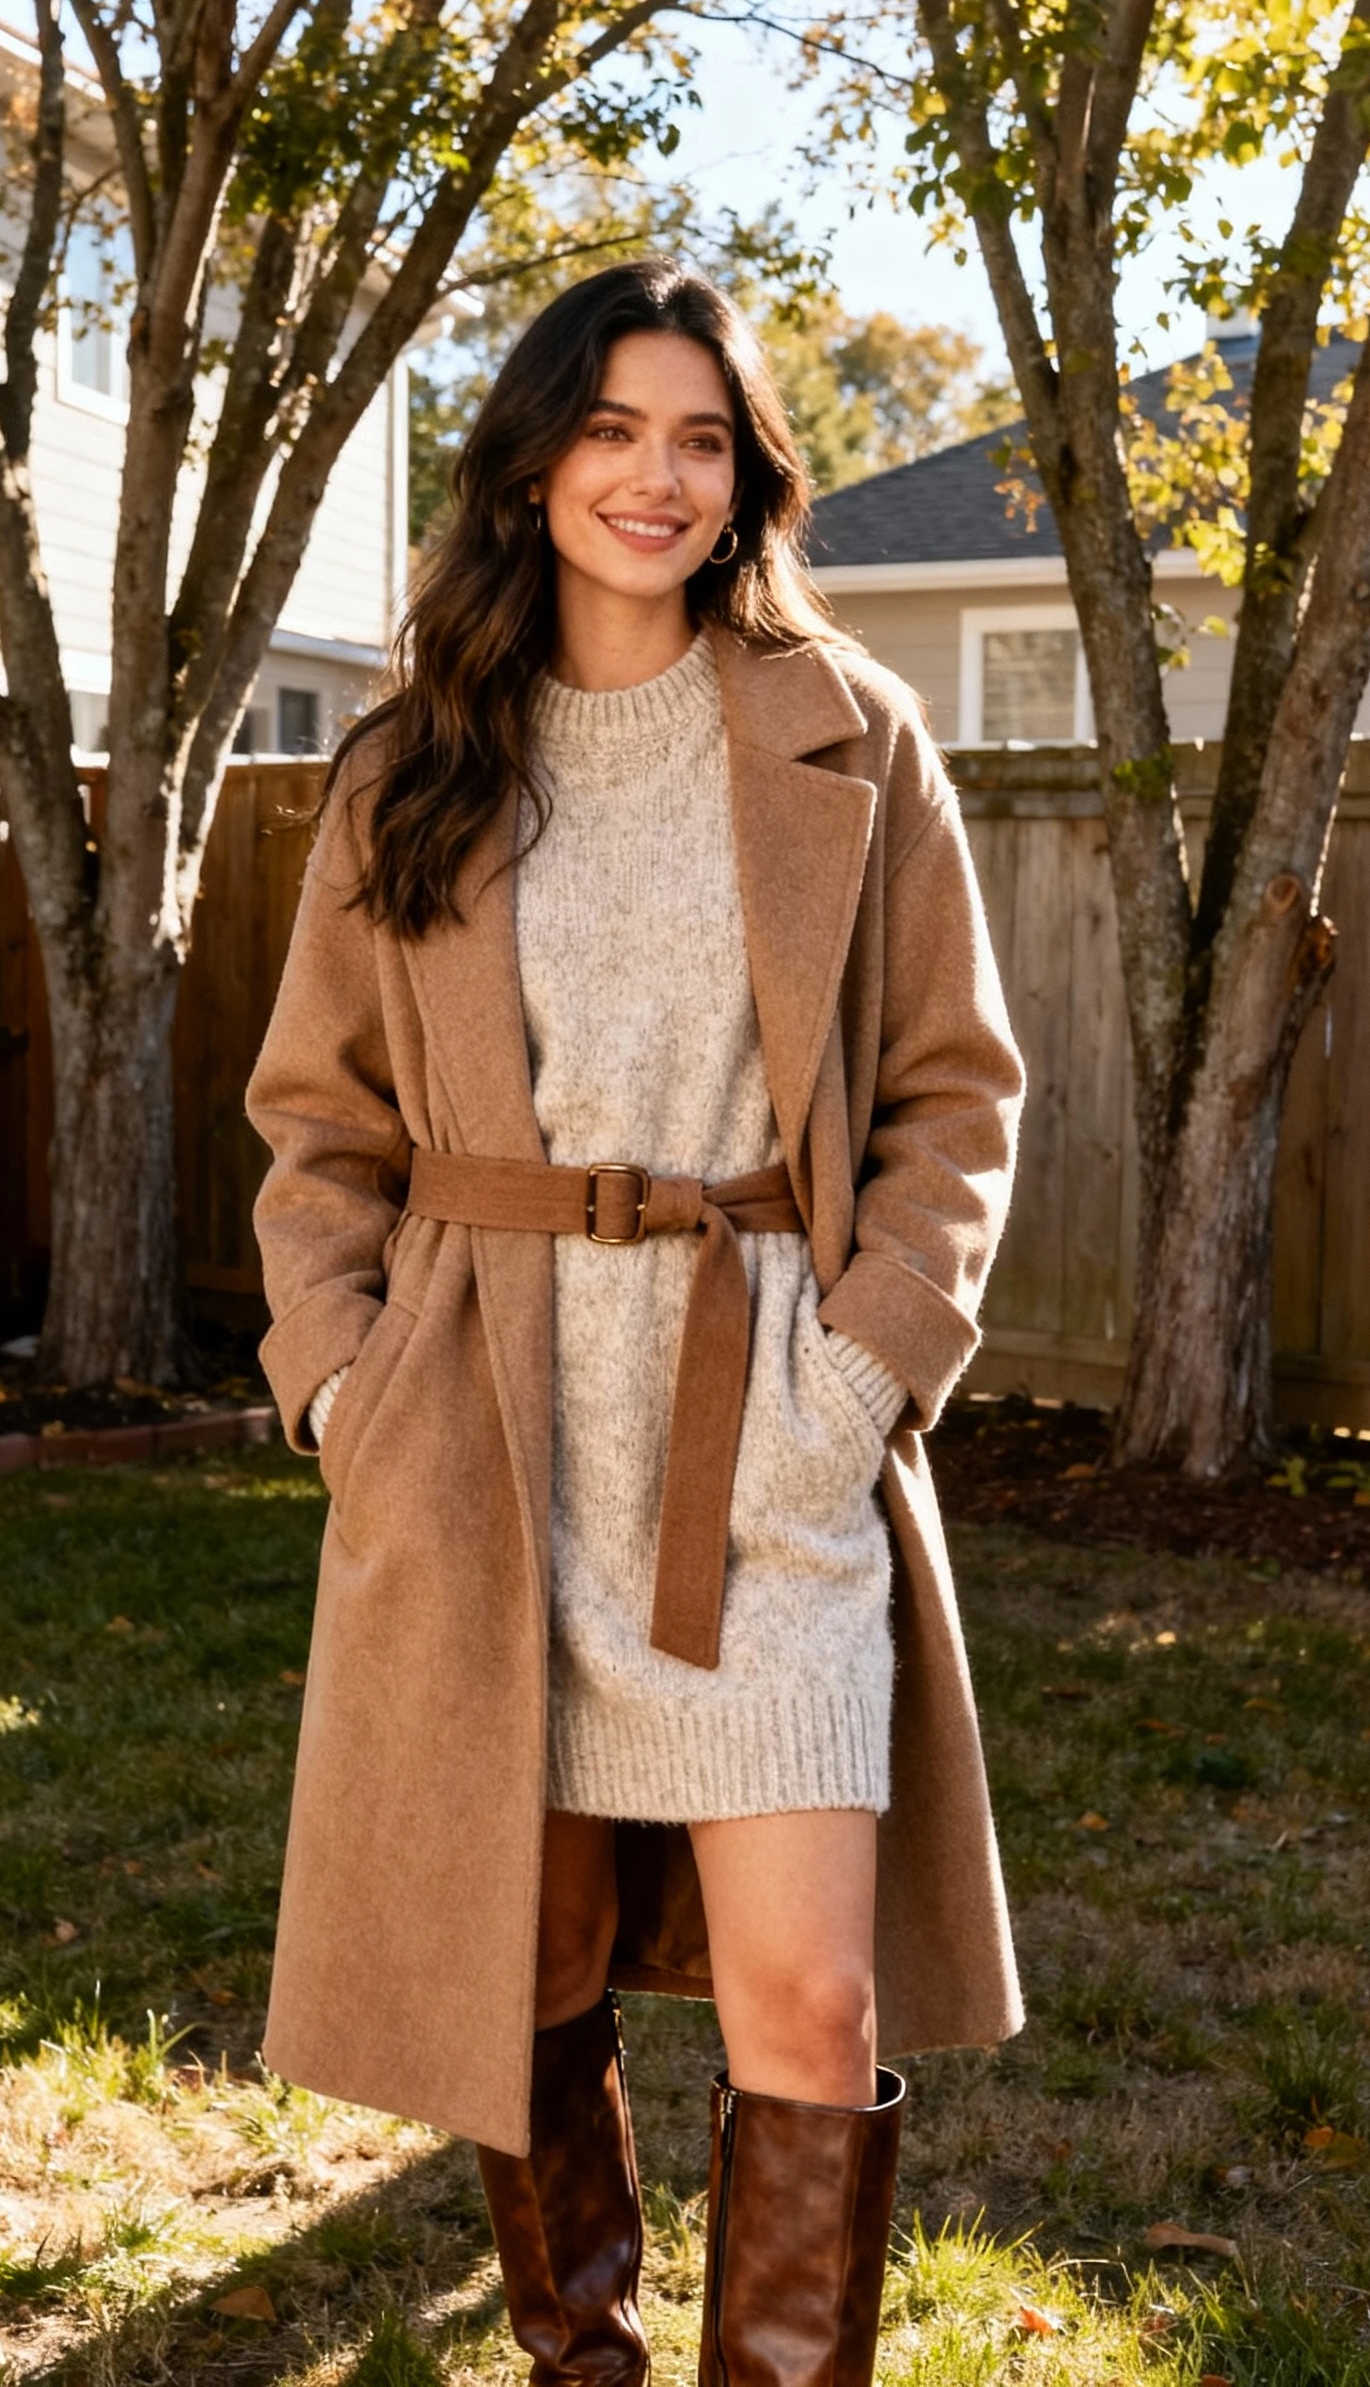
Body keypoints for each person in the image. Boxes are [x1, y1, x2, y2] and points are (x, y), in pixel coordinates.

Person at [246, 258, 1025, 2387]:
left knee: (815, 2006)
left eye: (699, 436)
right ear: (531, 464)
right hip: (489, 1434)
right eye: (610, 431)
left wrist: (861, 1366)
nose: (655, 477)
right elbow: (317, 1130)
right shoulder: (412, 765)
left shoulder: (848, 732)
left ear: (747, 471)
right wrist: (341, 1389)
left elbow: (958, 1092)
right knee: (536, 1977)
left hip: (765, 1429)